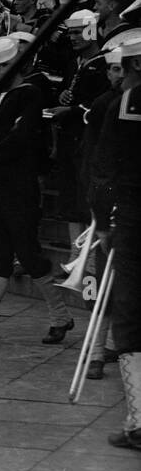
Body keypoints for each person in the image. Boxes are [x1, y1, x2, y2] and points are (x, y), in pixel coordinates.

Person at [0, 37, 74, 344]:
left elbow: (21, 137)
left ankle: (61, 316)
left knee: (28, 252)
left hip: (19, 185)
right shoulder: (0, 96)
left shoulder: (30, 93)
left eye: (4, 66)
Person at [90, 37, 141, 448]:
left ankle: (139, 419)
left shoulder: (121, 106)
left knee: (129, 313)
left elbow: (103, 170)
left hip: (135, 219)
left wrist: (100, 221)